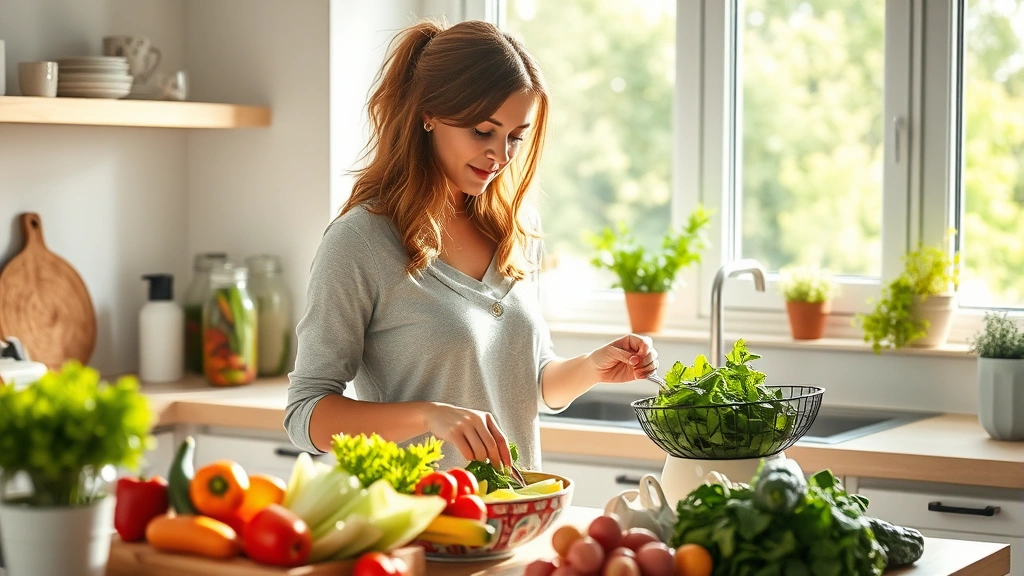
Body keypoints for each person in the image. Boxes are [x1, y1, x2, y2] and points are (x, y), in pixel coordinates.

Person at [285, 19, 660, 472]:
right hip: (418, 521)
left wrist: (592, 366)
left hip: (512, 516)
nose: (500, 156)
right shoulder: (360, 242)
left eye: (515, 138)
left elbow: (532, 380)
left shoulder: (514, 231)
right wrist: (428, 415)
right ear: (428, 113)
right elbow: (305, 415)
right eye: (483, 132)